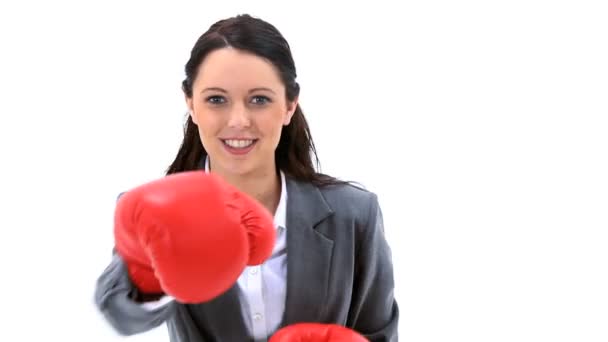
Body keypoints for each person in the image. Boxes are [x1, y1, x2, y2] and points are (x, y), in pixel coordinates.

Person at [94, 13, 399, 342]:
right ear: (191, 104)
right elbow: (121, 312)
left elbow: (380, 332)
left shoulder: (354, 213)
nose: (238, 120)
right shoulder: (154, 209)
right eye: (216, 99)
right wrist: (152, 276)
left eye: (259, 100)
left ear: (289, 105)